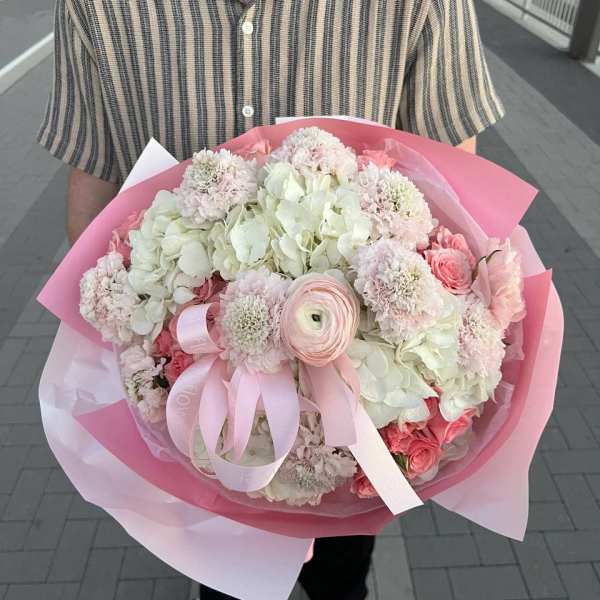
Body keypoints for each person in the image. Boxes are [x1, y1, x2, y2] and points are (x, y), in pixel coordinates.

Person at [38, 1, 505, 598]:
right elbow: (95, 188)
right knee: (230, 572)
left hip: (355, 416)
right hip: (200, 404)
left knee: (338, 567)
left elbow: (453, 193)